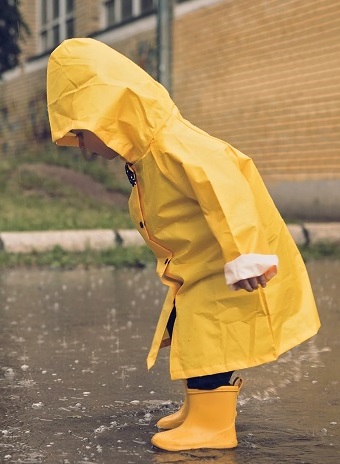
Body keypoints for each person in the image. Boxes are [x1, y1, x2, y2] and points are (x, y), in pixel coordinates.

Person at [46, 38, 320, 452]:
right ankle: (200, 409)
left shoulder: (172, 145)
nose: (82, 148)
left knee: (211, 339)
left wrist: (245, 255)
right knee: (191, 333)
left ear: (109, 115)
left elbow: (226, 192)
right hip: (199, 266)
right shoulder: (146, 154)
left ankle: (214, 425)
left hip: (221, 266)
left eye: (82, 133)